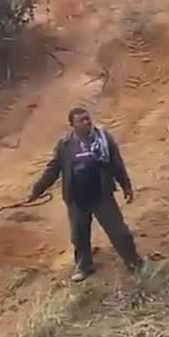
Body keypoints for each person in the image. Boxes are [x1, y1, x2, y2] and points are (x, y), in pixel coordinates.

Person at [27, 107, 144, 282]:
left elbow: (117, 164)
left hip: (101, 196)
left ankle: (134, 263)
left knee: (119, 232)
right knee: (79, 236)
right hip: (76, 199)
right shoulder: (64, 145)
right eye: (81, 120)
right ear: (72, 125)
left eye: (87, 118)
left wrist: (126, 185)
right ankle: (84, 265)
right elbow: (52, 170)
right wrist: (36, 191)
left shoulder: (103, 139)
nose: (87, 122)